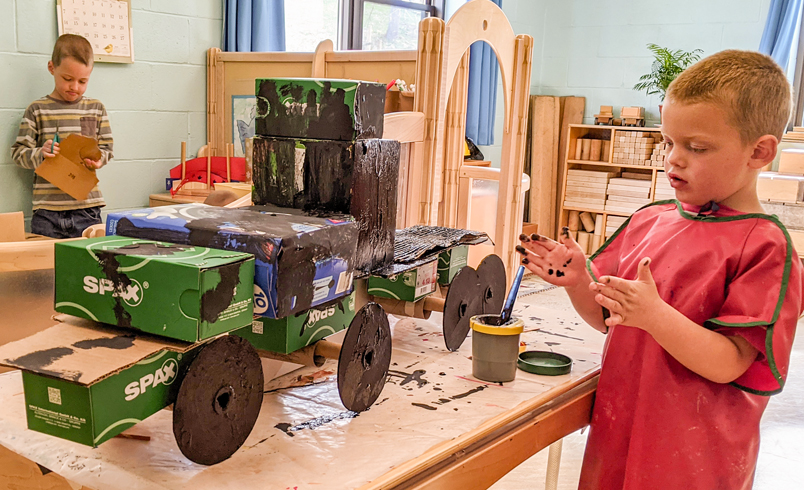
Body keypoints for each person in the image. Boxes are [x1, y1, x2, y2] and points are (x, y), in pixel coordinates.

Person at [517, 50, 804, 489]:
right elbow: (608, 319)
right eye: (669, 142)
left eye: (697, 147)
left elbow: (730, 363)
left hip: (694, 455)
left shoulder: (765, 247)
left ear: (759, 152)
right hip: (620, 430)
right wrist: (580, 281)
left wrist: (654, 315)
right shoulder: (651, 221)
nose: (674, 158)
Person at [11, 34, 113, 238]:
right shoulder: (37, 109)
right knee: (46, 267)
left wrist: (98, 160)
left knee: (90, 266)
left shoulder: (96, 108)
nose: (75, 87)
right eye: (68, 79)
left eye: (83, 81)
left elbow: (107, 150)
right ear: (52, 68)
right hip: (47, 211)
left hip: (87, 208)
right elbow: (18, 153)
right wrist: (41, 153)